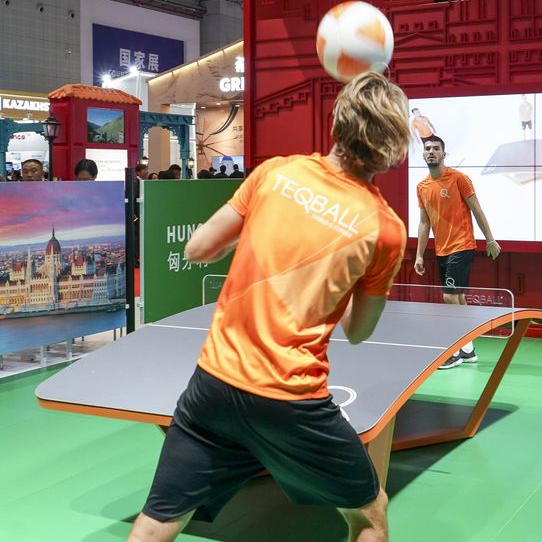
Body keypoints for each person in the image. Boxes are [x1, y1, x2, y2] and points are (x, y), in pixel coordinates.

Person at [127, 71, 410, 542]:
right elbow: (360, 331)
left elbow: (198, 248)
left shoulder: (275, 173)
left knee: (158, 521)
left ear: (337, 123)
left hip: (213, 386)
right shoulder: (385, 229)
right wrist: (339, 285)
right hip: (290, 399)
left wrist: (253, 238)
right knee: (370, 513)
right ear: (394, 146)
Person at [413, 135, 501, 369]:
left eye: (436, 148)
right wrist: (419, 254)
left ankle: (453, 352)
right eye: (428, 149)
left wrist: (490, 239)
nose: (431, 152)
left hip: (462, 246)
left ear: (444, 154)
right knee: (458, 297)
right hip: (441, 249)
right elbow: (424, 223)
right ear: (423, 154)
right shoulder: (422, 187)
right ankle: (468, 351)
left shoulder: (459, 178)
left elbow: (477, 210)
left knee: (449, 297)